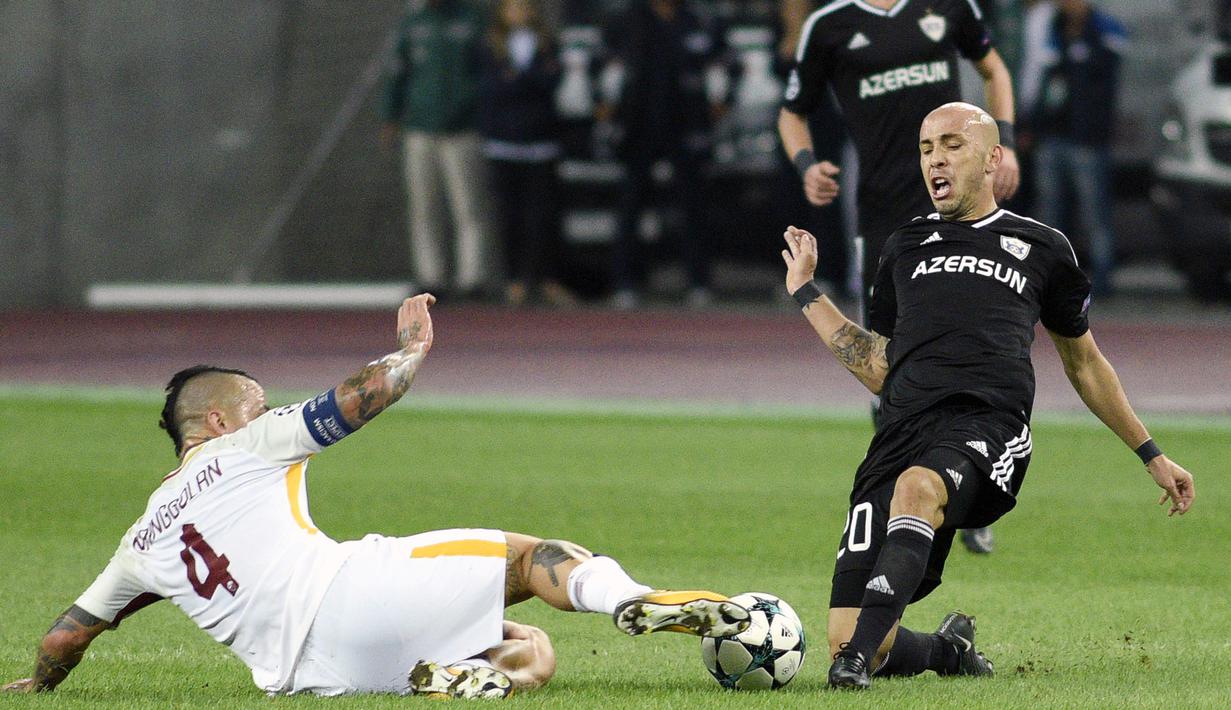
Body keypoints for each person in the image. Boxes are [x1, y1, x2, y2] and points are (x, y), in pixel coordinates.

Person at [1, 295, 751, 698]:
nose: (270, 414)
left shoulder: (138, 542)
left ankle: (472, 678)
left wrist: (40, 683)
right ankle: (635, 598)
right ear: (220, 419)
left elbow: (66, 637)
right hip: (347, 593)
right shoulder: (245, 445)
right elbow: (358, 396)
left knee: (531, 652)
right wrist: (412, 352)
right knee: (535, 559)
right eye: (259, 405)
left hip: (318, 677)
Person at [779, 102, 1195, 690]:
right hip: (901, 433)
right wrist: (805, 292)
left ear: (992, 158)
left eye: (951, 145)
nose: (935, 160)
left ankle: (848, 673)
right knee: (852, 632)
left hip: (988, 427)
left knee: (918, 488)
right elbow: (881, 367)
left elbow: (1085, 363)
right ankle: (945, 652)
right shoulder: (903, 247)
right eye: (926, 149)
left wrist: (1151, 453)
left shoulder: (1043, 247)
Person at [778, 0, 1023, 554]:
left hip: (962, 212)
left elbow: (995, 68)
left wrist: (1002, 140)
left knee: (975, 354)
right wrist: (806, 165)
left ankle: (971, 487)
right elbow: (792, 111)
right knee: (885, 363)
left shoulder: (948, 7)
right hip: (886, 220)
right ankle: (908, 493)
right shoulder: (831, 26)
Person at [598, 0, 731, 309]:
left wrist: (721, 100)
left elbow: (726, 64)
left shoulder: (699, 20)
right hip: (637, 126)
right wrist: (603, 103)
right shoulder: (626, 21)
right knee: (630, 205)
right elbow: (602, 67)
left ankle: (699, 281)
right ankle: (625, 281)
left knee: (693, 206)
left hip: (686, 125)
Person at [381, 0, 497, 298]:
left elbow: (488, 70)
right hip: (420, 128)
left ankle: (472, 278)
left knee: (468, 205)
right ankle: (430, 277)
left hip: (462, 129)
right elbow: (397, 72)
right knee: (424, 206)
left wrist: (476, 107)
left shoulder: (471, 19)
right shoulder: (413, 23)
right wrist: (390, 115)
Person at [1024, 0, 1126, 297]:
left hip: (1088, 140)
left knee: (1095, 212)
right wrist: (1034, 125)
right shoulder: (1053, 29)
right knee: (1051, 213)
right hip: (1053, 137)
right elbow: (1044, 81)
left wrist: (1079, 52)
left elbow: (1103, 75)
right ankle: (1051, 278)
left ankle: (1103, 279)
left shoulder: (1103, 28)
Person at [479, 0, 578, 307]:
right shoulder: (490, 46)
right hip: (504, 144)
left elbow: (551, 83)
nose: (519, 13)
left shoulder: (547, 44)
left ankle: (546, 278)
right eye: (512, 7)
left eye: (524, 7)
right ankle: (515, 280)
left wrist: (519, 80)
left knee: (543, 216)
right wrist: (526, 82)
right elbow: (491, 88)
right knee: (510, 215)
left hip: (540, 143)